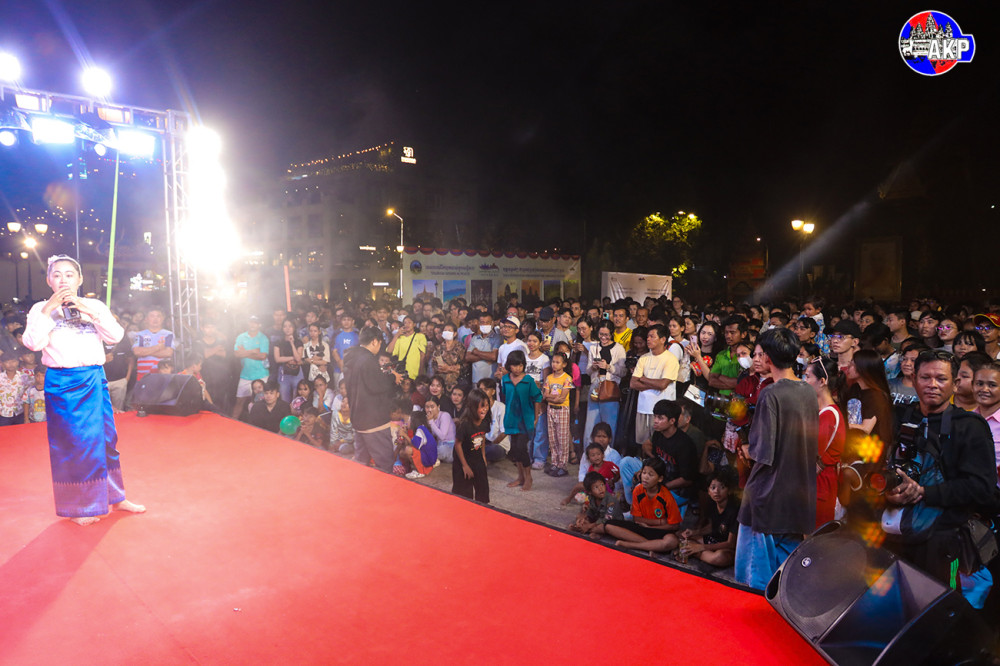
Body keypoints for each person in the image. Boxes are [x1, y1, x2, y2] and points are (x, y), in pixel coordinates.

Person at [21, 255, 145, 525]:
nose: (63, 280)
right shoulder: (40, 308)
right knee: (74, 445)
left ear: (79, 279)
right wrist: (48, 310)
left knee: (107, 440)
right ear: (49, 280)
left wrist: (89, 311)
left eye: (69, 274)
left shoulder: (94, 305)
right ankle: (79, 507)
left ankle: (116, 497)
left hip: (94, 377)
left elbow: (115, 336)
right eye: (57, 275)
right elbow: (32, 343)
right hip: (63, 382)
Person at [881, 350, 998, 609]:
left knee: (937, 610)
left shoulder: (969, 426)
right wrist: (887, 491)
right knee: (892, 609)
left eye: (941, 379)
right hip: (893, 534)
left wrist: (924, 492)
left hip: (942, 540)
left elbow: (981, 488)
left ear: (955, 383)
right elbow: (877, 465)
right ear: (914, 378)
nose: (932, 384)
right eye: (925, 377)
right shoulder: (899, 416)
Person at [735, 327, 819, 590]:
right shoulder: (808, 390)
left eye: (760, 354)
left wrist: (746, 447)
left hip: (768, 495)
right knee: (786, 580)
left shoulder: (771, 393)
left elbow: (762, 452)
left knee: (755, 579)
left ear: (768, 358)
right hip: (798, 495)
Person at [343, 326, 404, 472]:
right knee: (385, 463)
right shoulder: (368, 359)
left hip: (358, 418)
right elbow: (377, 385)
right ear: (375, 341)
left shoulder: (351, 357)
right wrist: (393, 377)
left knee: (361, 463)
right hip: (374, 420)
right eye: (380, 343)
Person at [606, 457, 683, 550]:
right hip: (642, 527)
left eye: (650, 475)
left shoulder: (666, 496)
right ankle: (651, 546)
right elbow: (636, 518)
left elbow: (674, 525)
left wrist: (652, 527)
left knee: (671, 541)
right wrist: (660, 521)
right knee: (609, 526)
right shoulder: (638, 490)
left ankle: (630, 545)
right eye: (644, 473)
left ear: (660, 478)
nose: (645, 477)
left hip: (659, 530)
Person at [803, 357, 846, 527]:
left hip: (820, 486)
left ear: (822, 381)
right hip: (815, 484)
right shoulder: (821, 411)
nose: (804, 381)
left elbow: (808, 455)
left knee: (814, 537)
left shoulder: (829, 416)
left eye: (808, 377)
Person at [676, 468, 740, 568]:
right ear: (708, 491)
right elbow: (711, 527)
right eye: (713, 488)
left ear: (729, 490)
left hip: (725, 547)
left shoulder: (734, 510)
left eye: (722, 487)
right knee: (680, 536)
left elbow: (731, 543)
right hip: (712, 541)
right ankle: (695, 551)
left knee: (719, 558)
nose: (717, 491)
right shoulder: (712, 504)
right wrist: (695, 532)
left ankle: (694, 553)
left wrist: (702, 547)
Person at [630, 324, 679, 445]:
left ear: (663, 339)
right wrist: (654, 383)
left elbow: (663, 384)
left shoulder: (670, 359)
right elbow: (633, 383)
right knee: (642, 444)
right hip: (643, 407)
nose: (648, 339)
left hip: (662, 411)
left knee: (659, 444)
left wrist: (643, 379)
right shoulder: (644, 358)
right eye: (648, 336)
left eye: (652, 336)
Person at [501, 349, 543, 491]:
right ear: (509, 365)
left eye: (520, 365)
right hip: (511, 419)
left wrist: (536, 417)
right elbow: (505, 397)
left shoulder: (528, 380)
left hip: (525, 420)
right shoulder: (505, 379)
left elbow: (537, 397)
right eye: (514, 365)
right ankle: (520, 477)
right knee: (514, 450)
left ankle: (528, 477)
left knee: (521, 448)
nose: (517, 368)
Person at [585, 321, 626, 445]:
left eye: (606, 335)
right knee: (591, 425)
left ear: (612, 334)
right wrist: (593, 367)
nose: (603, 337)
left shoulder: (619, 349)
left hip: (610, 389)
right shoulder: (593, 348)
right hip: (595, 386)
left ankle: (608, 453)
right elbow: (587, 371)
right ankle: (589, 452)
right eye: (601, 334)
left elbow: (623, 372)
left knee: (609, 425)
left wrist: (608, 367)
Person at [453, 388, 492, 504]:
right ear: (473, 407)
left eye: (487, 406)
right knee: (464, 496)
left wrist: (483, 456)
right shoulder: (464, 424)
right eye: (482, 406)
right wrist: (465, 466)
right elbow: (458, 444)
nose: (485, 409)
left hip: (477, 458)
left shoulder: (485, 421)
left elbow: (482, 437)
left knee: (483, 490)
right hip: (462, 461)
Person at [542, 351, 575, 477]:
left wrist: (551, 396)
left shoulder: (567, 378)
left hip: (562, 409)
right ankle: (555, 463)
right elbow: (545, 395)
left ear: (564, 364)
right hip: (551, 409)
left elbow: (562, 398)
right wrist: (553, 397)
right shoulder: (549, 378)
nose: (554, 364)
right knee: (553, 438)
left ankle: (563, 465)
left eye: (557, 362)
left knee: (562, 438)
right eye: (553, 362)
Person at [232, 315, 270, 419]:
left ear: (259, 325)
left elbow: (262, 356)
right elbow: (236, 354)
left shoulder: (263, 338)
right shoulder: (241, 337)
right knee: (239, 401)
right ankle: (232, 423)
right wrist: (253, 351)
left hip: (261, 375)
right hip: (246, 374)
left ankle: (263, 424)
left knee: (263, 401)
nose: (252, 324)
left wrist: (244, 352)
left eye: (255, 322)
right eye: (251, 322)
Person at [569, 471, 621, 536]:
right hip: (598, 519)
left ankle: (584, 529)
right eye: (596, 487)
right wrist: (585, 518)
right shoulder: (591, 497)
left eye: (602, 485)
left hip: (610, 523)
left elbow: (607, 519)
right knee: (580, 516)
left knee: (602, 527)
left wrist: (589, 526)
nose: (601, 489)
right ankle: (584, 528)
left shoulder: (611, 501)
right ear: (590, 492)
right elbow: (591, 510)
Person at [131, 306, 175, 381]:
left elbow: (168, 353)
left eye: (158, 316)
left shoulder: (168, 334)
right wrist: (158, 347)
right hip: (143, 376)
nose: (155, 319)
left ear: (163, 318)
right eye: (152, 316)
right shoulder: (140, 334)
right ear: (146, 319)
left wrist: (145, 352)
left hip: (163, 376)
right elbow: (137, 352)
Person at [396, 408, 438, 479]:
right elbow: (410, 443)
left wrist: (404, 435)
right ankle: (412, 468)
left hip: (428, 460)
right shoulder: (420, 429)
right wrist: (405, 433)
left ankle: (419, 471)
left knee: (408, 450)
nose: (407, 422)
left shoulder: (420, 430)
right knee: (403, 452)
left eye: (409, 420)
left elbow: (414, 445)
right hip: (426, 456)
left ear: (414, 421)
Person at [273, 318, 304, 404]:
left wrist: (292, 343)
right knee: (284, 398)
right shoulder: (278, 342)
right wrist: (292, 358)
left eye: (290, 326)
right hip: (283, 373)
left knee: (297, 399)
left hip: (297, 372)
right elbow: (277, 359)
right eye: (285, 326)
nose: (287, 328)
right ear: (282, 328)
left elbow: (298, 359)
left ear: (294, 328)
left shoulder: (298, 342)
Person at [465, 311, 500, 384]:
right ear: (479, 323)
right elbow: (468, 357)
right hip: (476, 380)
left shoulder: (498, 338)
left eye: (487, 322)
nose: (484, 325)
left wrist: (476, 352)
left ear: (492, 323)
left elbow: (494, 357)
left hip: (491, 381)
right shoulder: (474, 338)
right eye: (482, 322)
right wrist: (487, 357)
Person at [390, 316, 428, 381]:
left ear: (414, 324)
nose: (407, 324)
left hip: (416, 373)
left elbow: (422, 356)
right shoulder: (400, 338)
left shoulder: (420, 336)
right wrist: (397, 335)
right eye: (405, 323)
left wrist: (421, 373)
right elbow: (389, 351)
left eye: (409, 322)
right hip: (402, 374)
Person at [431, 322, 465, 388]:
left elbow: (464, 365)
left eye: (449, 330)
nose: (446, 332)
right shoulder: (438, 348)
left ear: (455, 333)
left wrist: (448, 368)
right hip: (440, 382)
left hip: (456, 382)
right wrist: (451, 369)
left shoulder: (460, 347)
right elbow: (435, 365)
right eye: (445, 330)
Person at [425, 395, 456, 463]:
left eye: (432, 407)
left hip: (449, 448)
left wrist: (431, 422)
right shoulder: (429, 418)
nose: (429, 410)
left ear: (438, 407)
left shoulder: (445, 415)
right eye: (427, 407)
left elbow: (442, 437)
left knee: (441, 450)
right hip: (439, 446)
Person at [0, 349, 27, 426]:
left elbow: (27, 393)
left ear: (18, 362)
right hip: (4, 413)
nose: (11, 364)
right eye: (7, 362)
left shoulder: (24, 377)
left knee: (19, 432)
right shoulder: (0, 378)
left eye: (13, 361)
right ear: (2, 363)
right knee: (4, 432)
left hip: (19, 412)